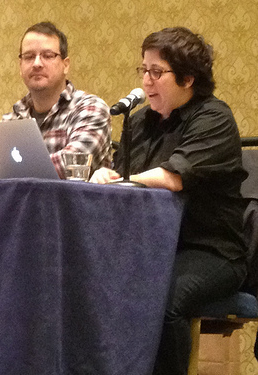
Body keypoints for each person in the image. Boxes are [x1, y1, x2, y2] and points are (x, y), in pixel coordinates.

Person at [91, 27, 248, 374]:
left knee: (161, 301)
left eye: (157, 72)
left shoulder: (214, 118)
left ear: (188, 78)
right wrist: (104, 178)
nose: (146, 81)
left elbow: (173, 178)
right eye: (143, 70)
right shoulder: (140, 122)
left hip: (210, 251)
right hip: (152, 248)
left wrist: (126, 181)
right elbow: (123, 182)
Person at [2, 22, 111, 179]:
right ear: (20, 66)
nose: (37, 64)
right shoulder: (11, 120)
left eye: (47, 56)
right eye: (29, 57)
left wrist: (14, 169)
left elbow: (75, 164)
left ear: (65, 65)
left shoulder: (90, 108)